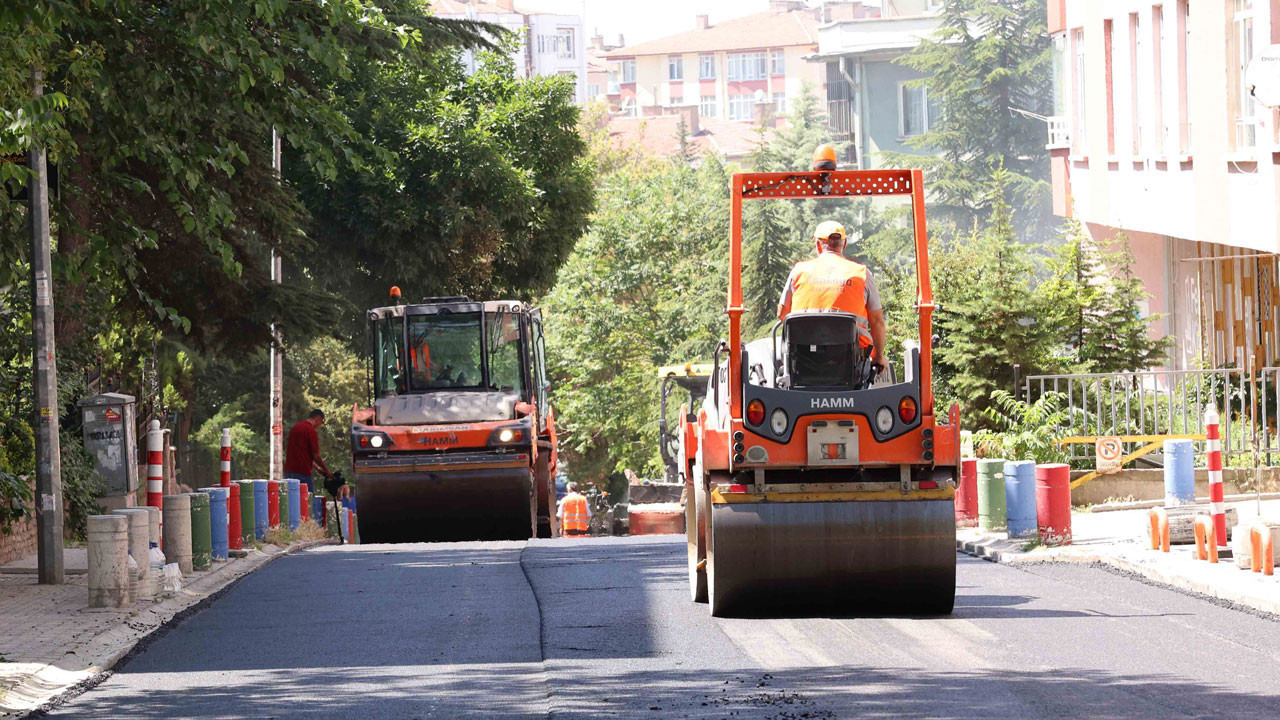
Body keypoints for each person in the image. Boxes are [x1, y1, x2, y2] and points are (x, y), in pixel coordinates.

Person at [777, 220, 886, 367]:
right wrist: (879, 358)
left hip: (803, 360)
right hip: (851, 362)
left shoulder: (799, 271)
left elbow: (783, 313)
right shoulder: (861, 273)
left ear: (817, 245)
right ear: (844, 244)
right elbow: (877, 321)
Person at [284, 409, 332, 494]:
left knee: (291, 501)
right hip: (303, 473)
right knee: (307, 502)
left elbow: (302, 454)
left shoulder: (295, 428)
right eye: (321, 422)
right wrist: (327, 471)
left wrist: (317, 468)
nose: (319, 425)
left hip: (289, 472)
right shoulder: (310, 431)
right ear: (318, 419)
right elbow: (315, 455)